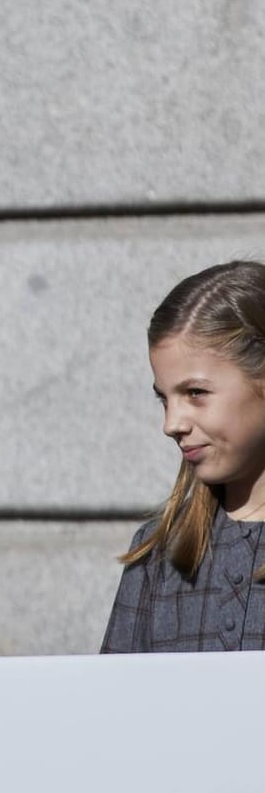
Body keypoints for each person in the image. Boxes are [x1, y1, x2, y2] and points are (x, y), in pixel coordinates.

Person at [103, 261, 265, 652]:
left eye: (195, 393)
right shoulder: (159, 552)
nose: (172, 423)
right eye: (164, 398)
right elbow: (111, 706)